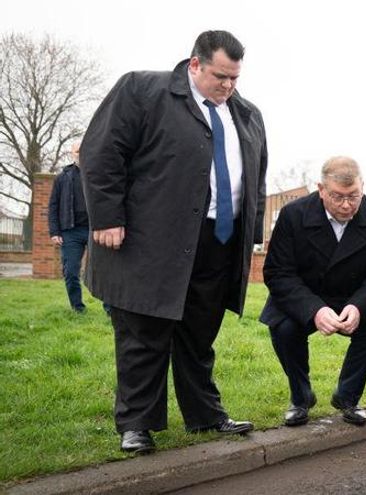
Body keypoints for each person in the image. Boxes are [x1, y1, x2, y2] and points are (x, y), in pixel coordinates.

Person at [80, 30, 267, 454]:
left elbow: (255, 175)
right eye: (221, 76)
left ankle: (205, 415)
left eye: (235, 78)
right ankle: (137, 424)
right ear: (195, 64)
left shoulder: (248, 114)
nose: (228, 86)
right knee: (144, 330)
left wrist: (249, 237)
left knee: (199, 333)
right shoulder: (143, 91)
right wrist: (107, 216)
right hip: (151, 239)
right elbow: (101, 153)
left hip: (219, 240)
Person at [260, 156, 366, 427]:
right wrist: (314, 309)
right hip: (306, 294)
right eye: (337, 197)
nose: (346, 205)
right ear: (321, 189)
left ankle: (348, 396)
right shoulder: (293, 215)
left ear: (363, 187)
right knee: (283, 327)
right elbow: (277, 272)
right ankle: (301, 398)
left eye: (354, 196)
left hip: (356, 294)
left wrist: (359, 306)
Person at [48, 141, 108, 314]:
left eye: (84, 150)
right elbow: (53, 206)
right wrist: (55, 231)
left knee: (104, 270)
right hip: (70, 232)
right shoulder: (62, 178)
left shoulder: (99, 174)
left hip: (95, 229)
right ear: (71, 153)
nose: (80, 154)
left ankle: (110, 308)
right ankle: (78, 308)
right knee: (71, 271)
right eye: (77, 151)